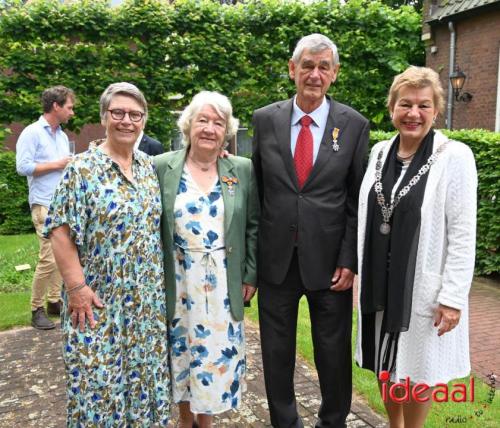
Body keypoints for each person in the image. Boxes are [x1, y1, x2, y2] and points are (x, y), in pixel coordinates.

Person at [252, 33, 369, 427]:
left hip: (331, 266)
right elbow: (259, 191)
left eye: (323, 67)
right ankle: (285, 422)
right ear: (292, 70)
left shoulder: (354, 125)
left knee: (333, 354)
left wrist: (349, 259)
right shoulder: (264, 119)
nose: (314, 75)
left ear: (334, 73)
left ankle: (332, 421)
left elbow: (356, 200)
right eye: (307, 66)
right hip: (277, 261)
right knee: (276, 352)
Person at [356, 66, 477, 427]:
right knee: (384, 365)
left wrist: (453, 297)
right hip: (379, 283)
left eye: (424, 106)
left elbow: (463, 231)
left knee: (416, 370)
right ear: (392, 108)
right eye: (405, 104)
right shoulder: (379, 153)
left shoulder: (454, 157)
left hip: (421, 288)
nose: (413, 114)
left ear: (436, 111)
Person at [44, 82, 170, 426]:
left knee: (144, 386)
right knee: (97, 388)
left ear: (143, 120)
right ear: (104, 117)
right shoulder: (82, 169)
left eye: (134, 114)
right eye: (118, 113)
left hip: (145, 308)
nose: (126, 121)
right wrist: (76, 288)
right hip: (97, 304)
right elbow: (59, 231)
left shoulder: (149, 167)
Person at [154, 91, 259, 428]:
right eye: (203, 120)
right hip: (179, 279)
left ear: (227, 131)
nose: (210, 129)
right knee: (181, 351)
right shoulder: (162, 167)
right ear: (188, 125)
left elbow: (253, 225)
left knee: (214, 355)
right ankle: (186, 421)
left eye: (218, 123)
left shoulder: (240, 169)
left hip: (222, 284)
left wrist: (250, 274)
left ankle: (206, 421)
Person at [16, 85, 75, 330]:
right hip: (43, 204)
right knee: (48, 259)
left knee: (62, 255)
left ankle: (54, 302)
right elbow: (23, 167)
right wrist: (57, 164)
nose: (72, 112)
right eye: (69, 107)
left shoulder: (61, 135)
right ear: (56, 106)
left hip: (61, 203)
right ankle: (36, 309)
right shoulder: (32, 133)